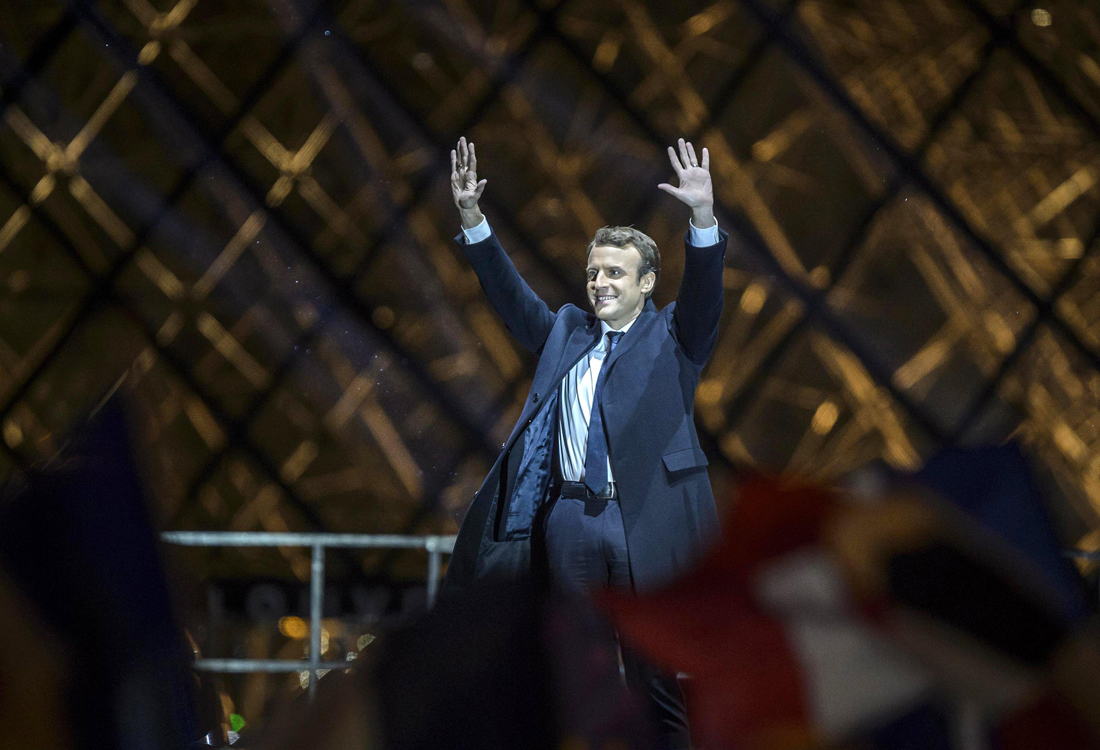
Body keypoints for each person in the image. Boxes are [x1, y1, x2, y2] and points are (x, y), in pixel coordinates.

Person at [443, 136, 726, 748]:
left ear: (646, 283)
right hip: (570, 519)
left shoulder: (675, 336)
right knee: (576, 674)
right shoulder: (567, 333)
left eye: (614, 273)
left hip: (644, 517)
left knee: (658, 673)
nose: (599, 282)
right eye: (593, 271)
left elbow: (705, 299)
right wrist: (473, 218)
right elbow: (511, 298)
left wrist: (703, 218)